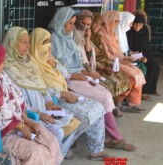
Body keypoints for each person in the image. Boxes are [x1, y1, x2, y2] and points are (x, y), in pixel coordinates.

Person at [49, 7, 136, 152]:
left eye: (72, 23)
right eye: (70, 24)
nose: (72, 27)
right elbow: (57, 69)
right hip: (67, 81)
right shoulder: (52, 40)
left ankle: (110, 135)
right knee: (104, 97)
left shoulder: (67, 38)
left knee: (105, 91)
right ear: (60, 22)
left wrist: (86, 73)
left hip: (79, 75)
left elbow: (77, 62)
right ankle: (113, 137)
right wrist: (80, 75)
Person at [29, 27, 112, 160]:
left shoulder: (48, 60)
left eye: (50, 41)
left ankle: (96, 149)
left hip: (65, 94)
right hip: (53, 101)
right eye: (45, 42)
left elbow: (66, 73)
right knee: (85, 117)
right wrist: (62, 94)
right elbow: (40, 89)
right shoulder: (31, 64)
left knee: (98, 107)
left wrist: (53, 63)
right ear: (36, 44)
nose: (49, 46)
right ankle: (62, 147)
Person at [0, 40, 63, 164]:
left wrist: (27, 122)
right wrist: (20, 125)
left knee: (50, 141)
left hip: (17, 124)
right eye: (1, 60)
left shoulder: (2, 76)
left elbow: (16, 100)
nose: (3, 64)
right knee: (36, 152)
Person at [73, 10, 130, 117]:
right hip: (83, 69)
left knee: (119, 78)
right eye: (83, 23)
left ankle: (114, 106)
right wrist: (100, 68)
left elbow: (90, 54)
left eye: (88, 24)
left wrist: (87, 39)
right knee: (106, 84)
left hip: (92, 67)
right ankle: (106, 111)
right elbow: (80, 60)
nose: (85, 26)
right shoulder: (74, 35)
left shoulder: (89, 35)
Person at [91, 11, 146, 112]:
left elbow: (118, 52)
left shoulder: (113, 33)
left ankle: (133, 102)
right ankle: (119, 102)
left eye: (118, 21)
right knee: (131, 75)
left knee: (138, 72)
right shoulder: (100, 35)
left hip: (116, 59)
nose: (116, 24)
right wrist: (122, 59)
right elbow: (107, 55)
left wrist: (124, 58)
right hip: (109, 61)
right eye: (115, 21)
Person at [127, 13, 161, 100]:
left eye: (140, 24)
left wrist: (144, 57)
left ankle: (151, 90)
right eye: (136, 24)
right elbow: (127, 48)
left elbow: (146, 47)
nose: (138, 26)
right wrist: (137, 55)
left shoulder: (145, 31)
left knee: (156, 67)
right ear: (133, 23)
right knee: (150, 68)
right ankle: (144, 92)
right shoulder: (129, 32)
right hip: (132, 56)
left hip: (143, 55)